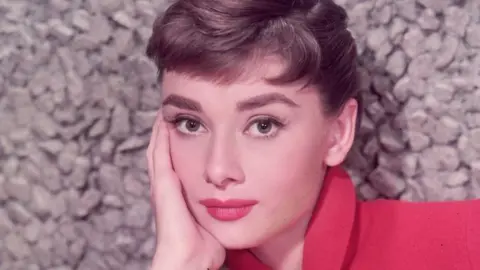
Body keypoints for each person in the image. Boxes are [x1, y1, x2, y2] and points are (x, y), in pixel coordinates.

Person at [144, 0, 480, 269]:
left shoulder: (467, 242)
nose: (217, 170)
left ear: (339, 133)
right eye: (190, 124)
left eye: (263, 125)